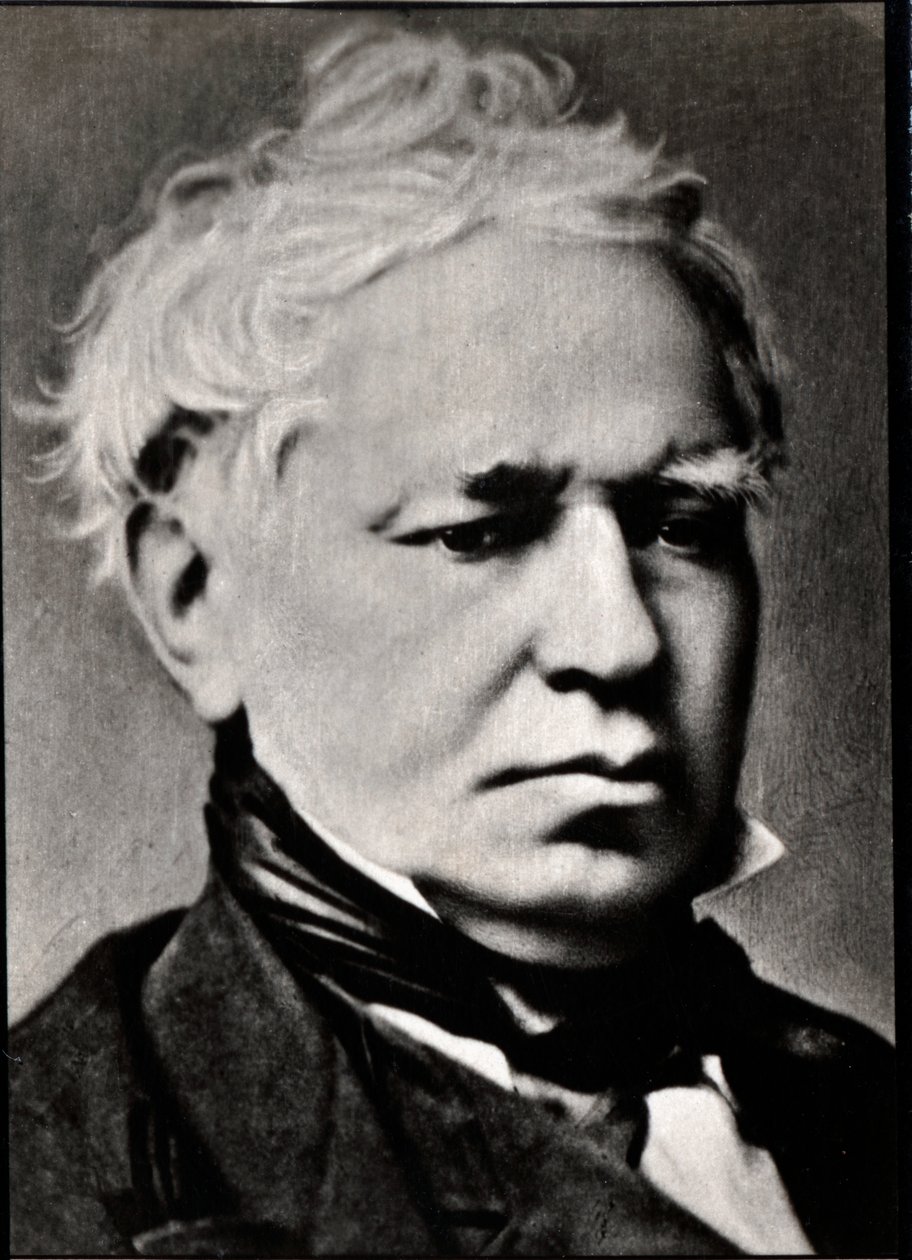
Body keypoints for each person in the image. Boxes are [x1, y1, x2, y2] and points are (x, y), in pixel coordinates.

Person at [8, 23, 896, 1257]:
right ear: (196, 590)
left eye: (681, 523)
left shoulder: (866, 1109)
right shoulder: (57, 1178)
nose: (618, 641)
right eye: (479, 533)